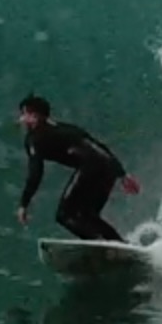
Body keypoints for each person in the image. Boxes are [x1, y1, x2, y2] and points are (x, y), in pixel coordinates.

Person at [16, 95, 142, 243]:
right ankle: (120, 245)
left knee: (64, 215)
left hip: (90, 166)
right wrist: (122, 174)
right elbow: (98, 146)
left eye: (24, 114)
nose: (21, 119)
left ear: (33, 115)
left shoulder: (34, 138)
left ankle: (98, 244)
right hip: (108, 167)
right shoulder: (67, 128)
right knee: (88, 215)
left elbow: (35, 173)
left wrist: (24, 204)